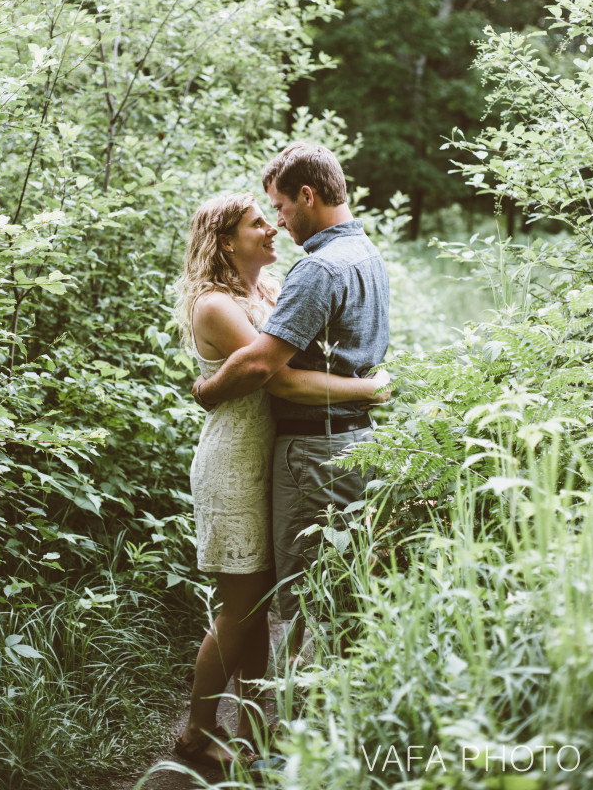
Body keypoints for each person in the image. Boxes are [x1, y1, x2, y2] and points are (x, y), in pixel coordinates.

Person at [174, 191, 388, 769]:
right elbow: (282, 380)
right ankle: (196, 729)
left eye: (270, 218)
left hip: (274, 458)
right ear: (225, 240)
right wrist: (374, 388)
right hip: (235, 463)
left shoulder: (264, 291)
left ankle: (249, 723)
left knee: (262, 601)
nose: (271, 229)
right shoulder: (217, 304)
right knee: (241, 604)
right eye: (255, 223)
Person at [192, 143, 390, 632]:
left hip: (315, 451)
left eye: (279, 208)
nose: (278, 222)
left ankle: (310, 704)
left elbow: (269, 373)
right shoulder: (365, 252)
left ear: (306, 195)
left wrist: (208, 390)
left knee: (315, 599)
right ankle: (304, 700)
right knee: (339, 588)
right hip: (352, 441)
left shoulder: (318, 268)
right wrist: (370, 389)